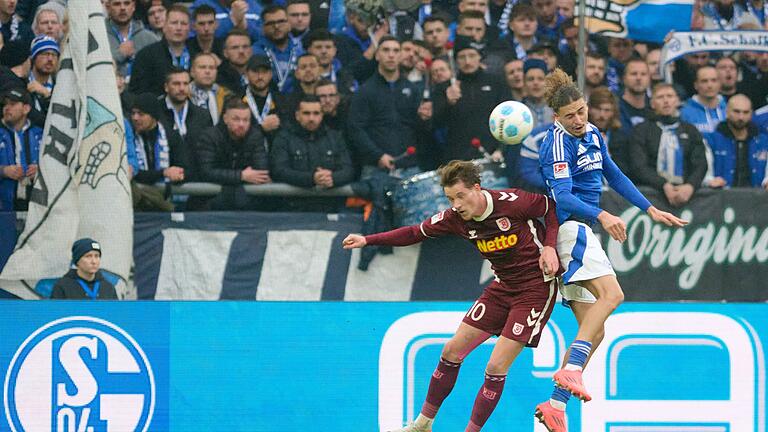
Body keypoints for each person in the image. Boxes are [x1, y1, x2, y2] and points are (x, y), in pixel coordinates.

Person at [343, 159, 561, 432]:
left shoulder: (512, 201)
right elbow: (414, 232)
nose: (456, 204)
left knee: (495, 366)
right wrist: (368, 239)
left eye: (460, 196)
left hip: (534, 288)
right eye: (450, 198)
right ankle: (423, 425)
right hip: (502, 286)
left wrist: (550, 247)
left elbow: (550, 207)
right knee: (451, 351)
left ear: (477, 188)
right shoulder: (455, 219)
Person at [534, 69, 686, 431]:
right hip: (571, 231)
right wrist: (604, 214)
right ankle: (571, 370)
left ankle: (555, 404)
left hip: (580, 232)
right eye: (569, 115)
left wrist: (649, 208)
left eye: (582, 111)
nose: (578, 119)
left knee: (595, 328)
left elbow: (614, 175)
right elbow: (564, 197)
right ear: (556, 117)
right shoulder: (556, 142)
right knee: (613, 295)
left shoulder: (593, 134)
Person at [629, 83, 708, 207]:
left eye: (670, 96)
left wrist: (690, 186)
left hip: (688, 196)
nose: (666, 101)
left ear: (677, 101)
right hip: (651, 196)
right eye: (660, 97)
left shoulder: (690, 130)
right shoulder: (641, 130)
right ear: (652, 103)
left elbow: (700, 164)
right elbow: (638, 165)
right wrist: (663, 185)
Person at [270, 95, 354, 210]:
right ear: (297, 115)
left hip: (330, 206)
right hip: (293, 207)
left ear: (322, 115)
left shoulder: (335, 137)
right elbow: (278, 170)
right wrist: (311, 178)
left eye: (316, 113)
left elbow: (348, 169)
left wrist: (333, 178)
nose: (311, 118)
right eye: (306, 113)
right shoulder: (284, 137)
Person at [432, 36, 506, 163]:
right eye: (462, 57)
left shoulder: (496, 82)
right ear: (455, 61)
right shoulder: (446, 87)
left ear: (479, 57)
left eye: (472, 55)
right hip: (457, 159)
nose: (467, 61)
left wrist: (501, 149)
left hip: (492, 155)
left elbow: (507, 117)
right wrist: (448, 103)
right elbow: (435, 124)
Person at [194, 97, 271, 210]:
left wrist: (235, 176)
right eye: (236, 119)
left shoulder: (255, 137)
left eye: (246, 120)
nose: (241, 124)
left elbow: (260, 172)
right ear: (225, 119)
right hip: (210, 201)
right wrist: (241, 176)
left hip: (246, 201)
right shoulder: (209, 137)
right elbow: (206, 172)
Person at [705, 94, 768, 189]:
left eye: (745, 112)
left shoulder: (763, 141)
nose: (741, 117)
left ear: (751, 114)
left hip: (757, 198)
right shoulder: (711, 139)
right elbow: (705, 173)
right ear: (727, 111)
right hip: (721, 197)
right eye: (736, 111)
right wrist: (710, 180)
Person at [129, 4, 193, 95]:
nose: (179, 28)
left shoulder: (197, 55)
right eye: (174, 23)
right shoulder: (146, 56)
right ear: (164, 26)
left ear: (189, 28)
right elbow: (137, 93)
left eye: (183, 24)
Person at [0, 88, 42, 211]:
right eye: (5, 104)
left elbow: (56, 168)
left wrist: (41, 171)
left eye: (12, 104)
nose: (7, 108)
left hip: (36, 207)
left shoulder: (41, 134)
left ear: (26, 109)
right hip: (4, 207)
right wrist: (3, 171)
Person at [106, 0, 160, 81]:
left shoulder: (150, 38)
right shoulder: (99, 36)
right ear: (108, 7)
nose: (122, 8)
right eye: (117, 4)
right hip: (108, 89)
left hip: (141, 91)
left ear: (133, 6)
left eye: (127, 3)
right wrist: (119, 54)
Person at [51, 238, 118, 300]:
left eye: (97, 256)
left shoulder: (108, 287)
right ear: (77, 261)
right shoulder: (62, 286)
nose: (94, 261)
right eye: (88, 256)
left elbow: (116, 311)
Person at [159, 67, 213, 141]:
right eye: (176, 84)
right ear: (166, 87)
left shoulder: (202, 115)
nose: (182, 88)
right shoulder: (155, 113)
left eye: (185, 84)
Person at [189, 52, 230, 124]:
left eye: (211, 68)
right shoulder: (183, 95)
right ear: (192, 72)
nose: (207, 71)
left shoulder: (228, 96)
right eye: (202, 67)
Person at [216, 29, 252, 94]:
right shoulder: (218, 78)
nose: (241, 51)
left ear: (251, 50)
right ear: (225, 53)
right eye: (235, 47)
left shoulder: (261, 72)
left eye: (245, 47)